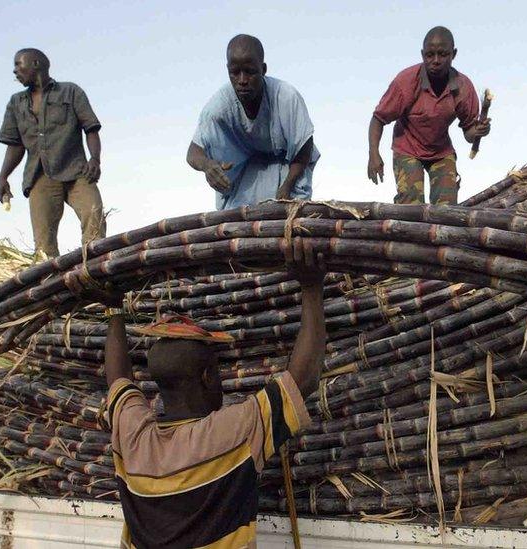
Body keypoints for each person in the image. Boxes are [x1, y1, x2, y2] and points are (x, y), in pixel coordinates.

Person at [100, 238, 326, 548]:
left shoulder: (134, 437)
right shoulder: (230, 433)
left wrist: (114, 309)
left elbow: (118, 378)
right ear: (207, 377)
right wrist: (312, 288)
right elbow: (304, 380)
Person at [187, 34, 319, 210]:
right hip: (244, 175)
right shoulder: (217, 108)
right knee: (237, 226)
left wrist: (287, 185)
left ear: (263, 69)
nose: (242, 80)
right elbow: (193, 152)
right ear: (228, 70)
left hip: (289, 169)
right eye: (235, 73)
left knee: (289, 219)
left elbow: (304, 148)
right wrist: (207, 165)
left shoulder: (287, 97)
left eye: (250, 72)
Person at [0, 48, 106, 259]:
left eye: (18, 65)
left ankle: (94, 271)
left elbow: (90, 128)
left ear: (36, 64)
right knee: (44, 246)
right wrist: (3, 176)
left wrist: (95, 159)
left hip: (77, 171)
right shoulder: (16, 103)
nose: (15, 71)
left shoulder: (70, 92)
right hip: (39, 176)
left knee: (94, 218)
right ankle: (52, 284)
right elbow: (16, 145)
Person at [367, 26, 491, 205]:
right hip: (407, 148)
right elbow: (378, 119)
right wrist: (374, 154)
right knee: (410, 205)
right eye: (430, 55)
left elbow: (469, 134)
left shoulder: (463, 87)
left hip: (441, 151)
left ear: (453, 54)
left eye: (443, 54)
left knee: (447, 209)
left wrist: (479, 131)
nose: (436, 60)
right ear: (422, 54)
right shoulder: (406, 82)